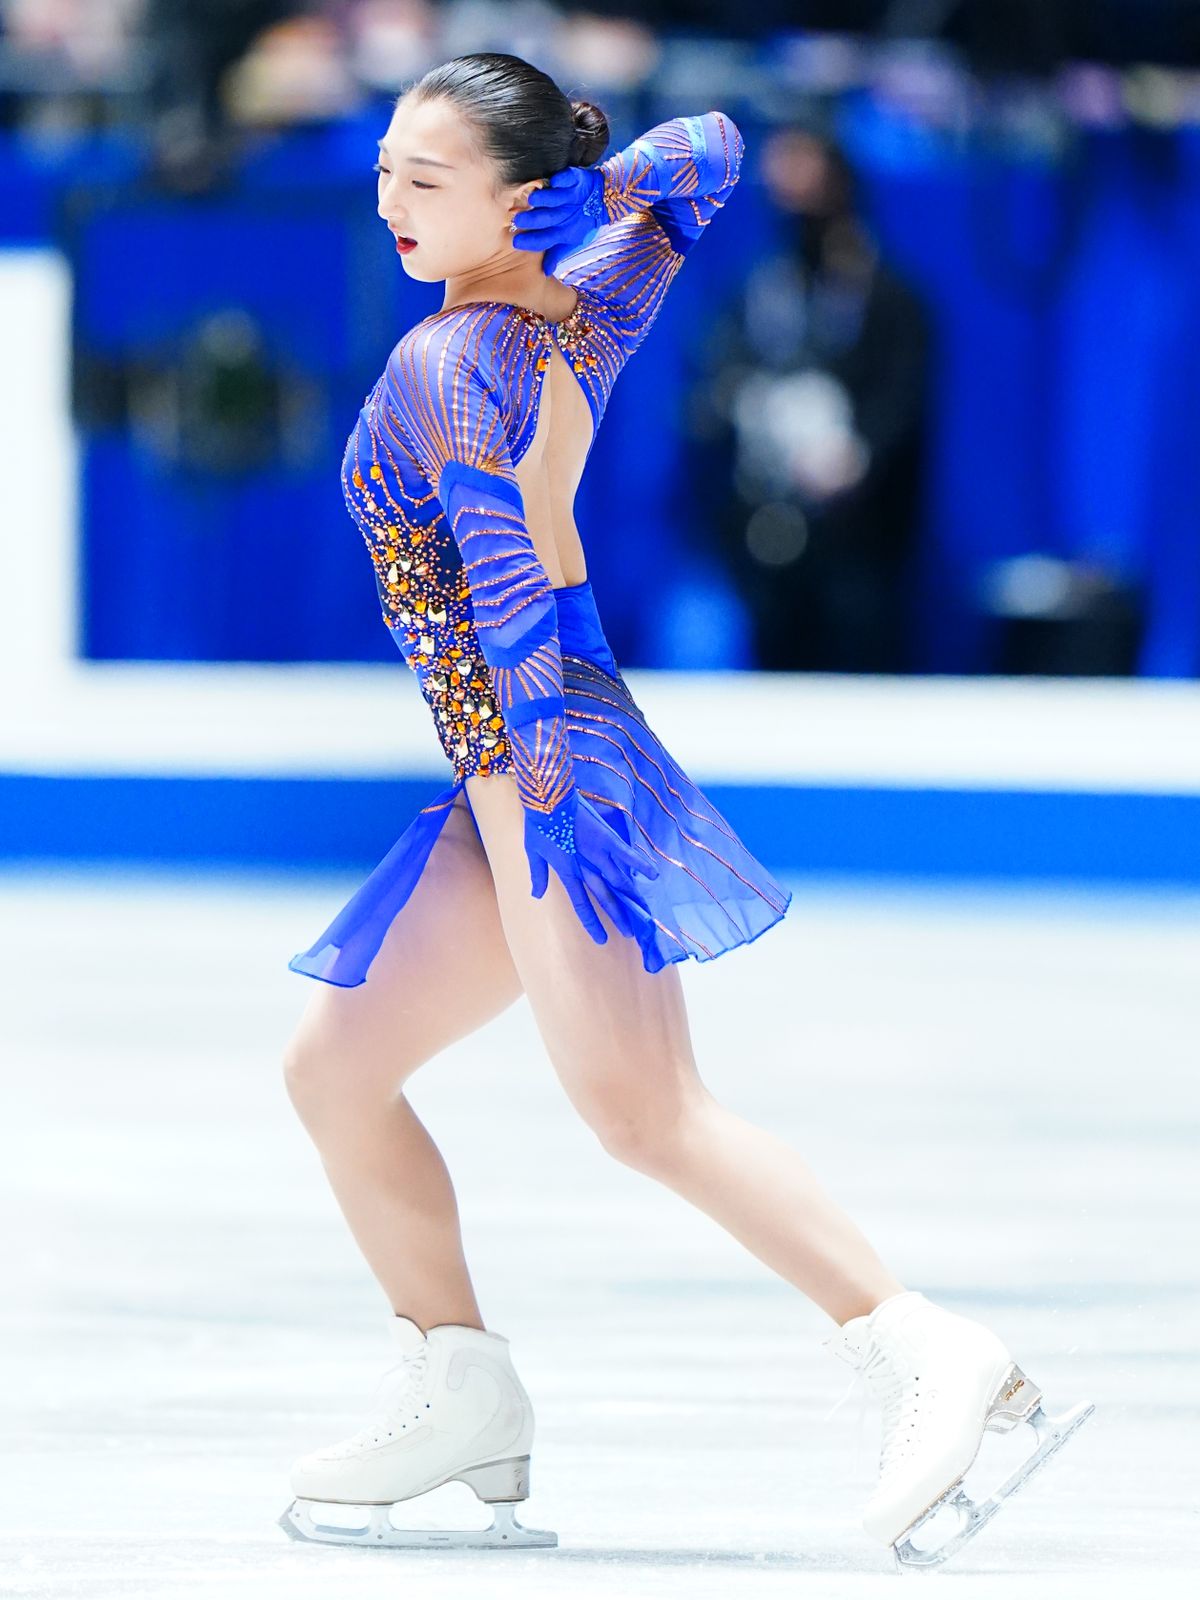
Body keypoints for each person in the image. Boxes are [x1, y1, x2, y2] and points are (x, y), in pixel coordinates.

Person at [277, 52, 1092, 1566]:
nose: (388, 199)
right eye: (386, 166)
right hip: (519, 763)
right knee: (337, 1066)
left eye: (425, 179)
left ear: (514, 200)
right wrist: (588, 209)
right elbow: (708, 149)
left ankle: (918, 1343)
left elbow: (504, 585)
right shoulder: (578, 304)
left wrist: (552, 804)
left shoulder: (449, 366)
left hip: (541, 760)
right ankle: (462, 1384)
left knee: (645, 1115)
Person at [686, 123, 929, 672]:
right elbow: (720, 378)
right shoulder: (761, 290)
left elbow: (902, 394)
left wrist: (857, 454)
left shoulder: (887, 298)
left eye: (806, 179)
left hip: (860, 536)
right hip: (772, 525)